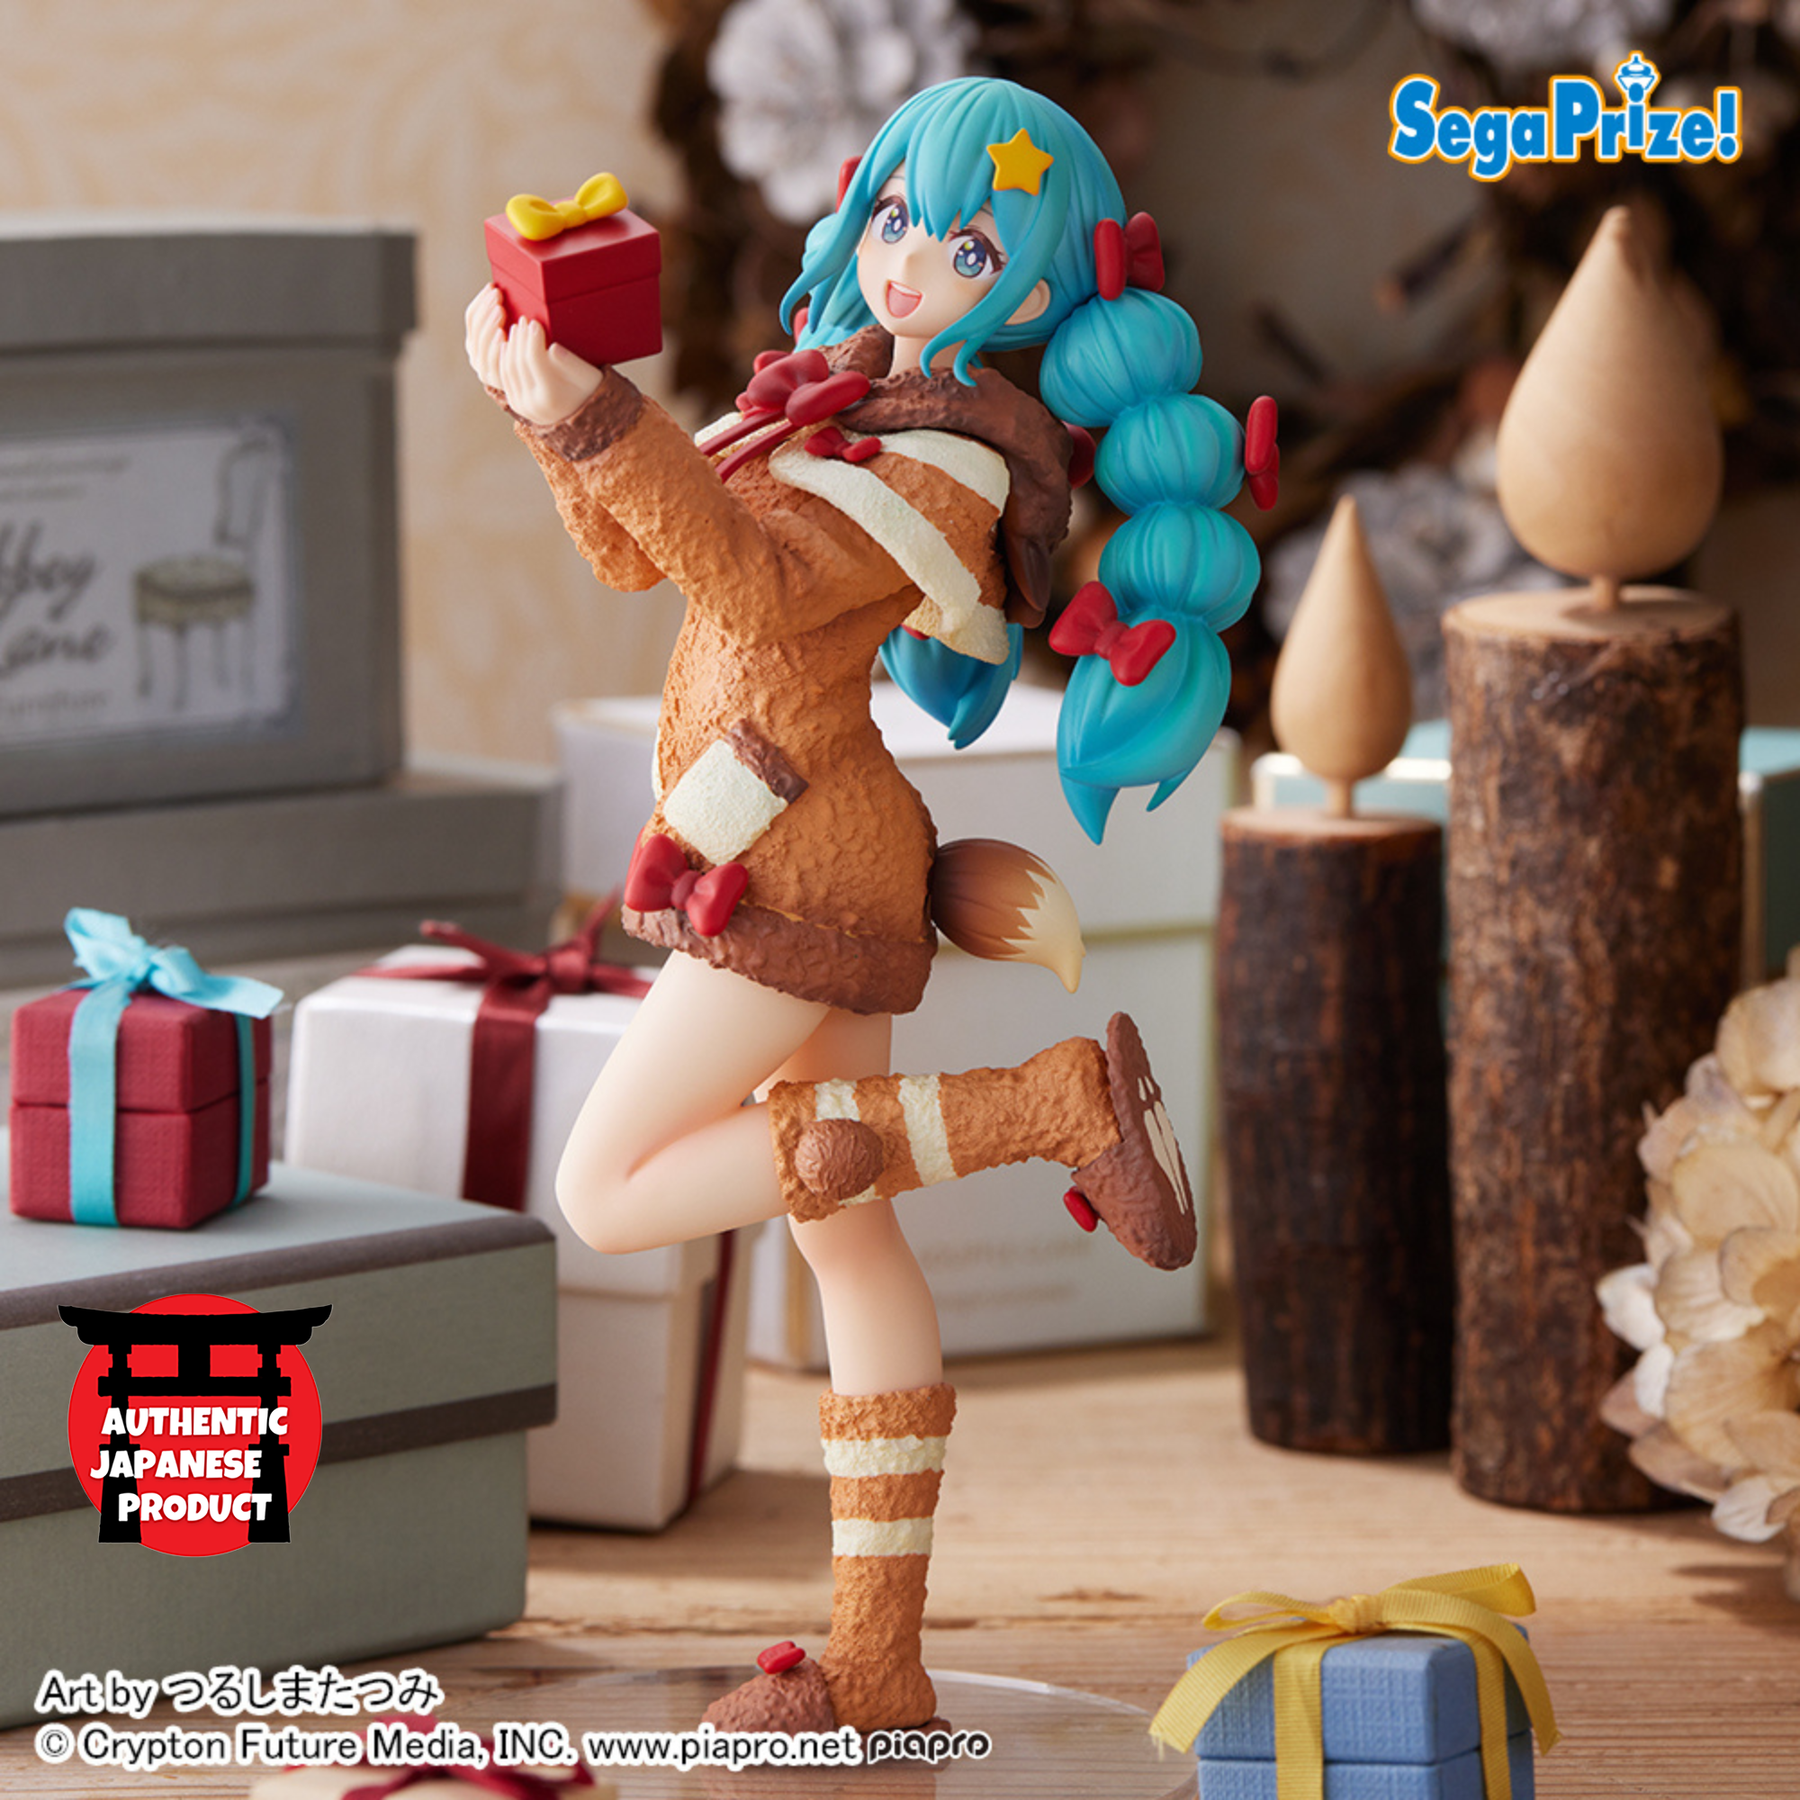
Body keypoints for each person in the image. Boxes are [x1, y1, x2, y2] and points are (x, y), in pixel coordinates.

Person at [467, 75, 1266, 1736]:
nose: (908, 263)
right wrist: (553, 414)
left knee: (605, 1189)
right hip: (781, 838)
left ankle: (1048, 1105)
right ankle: (877, 1661)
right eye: (899, 217)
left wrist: (603, 422)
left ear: (1030, 291)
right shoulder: (827, 395)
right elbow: (639, 554)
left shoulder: (953, 460)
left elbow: (755, 585)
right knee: (849, 1242)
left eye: (968, 248)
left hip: (792, 859)